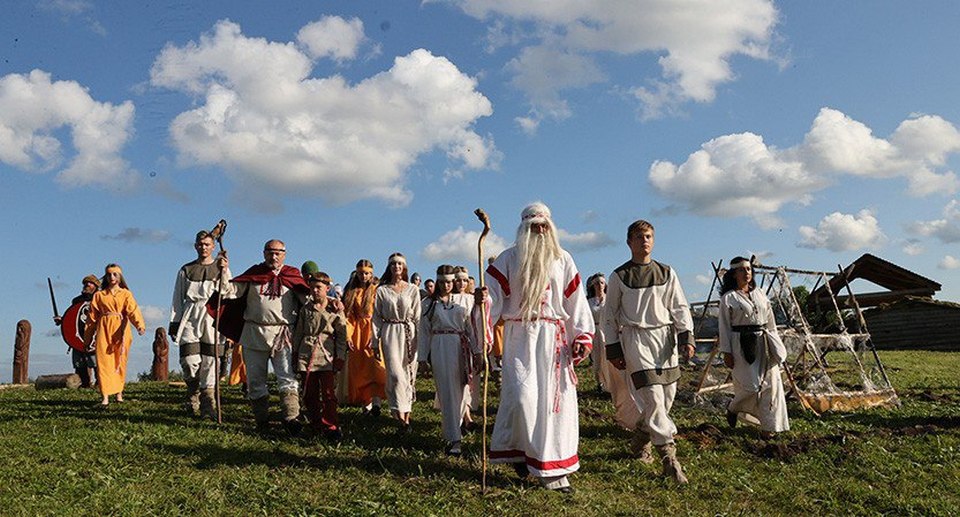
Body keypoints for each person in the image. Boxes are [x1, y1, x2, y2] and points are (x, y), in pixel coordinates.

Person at [475, 202, 594, 493]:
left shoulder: (563, 259)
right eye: (533, 226)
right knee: (521, 397)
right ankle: (520, 452)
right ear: (523, 229)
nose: (539, 231)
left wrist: (581, 336)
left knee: (553, 407)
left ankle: (553, 472)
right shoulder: (508, 258)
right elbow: (491, 296)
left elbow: (576, 301)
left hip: (553, 339)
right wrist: (483, 301)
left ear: (550, 228)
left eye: (543, 226)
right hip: (520, 336)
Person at [602, 220, 695, 484]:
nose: (645, 240)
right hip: (636, 339)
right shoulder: (619, 276)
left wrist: (685, 336)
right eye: (640, 236)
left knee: (665, 399)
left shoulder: (667, 272)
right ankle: (668, 456)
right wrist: (613, 347)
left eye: (649, 236)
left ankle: (640, 440)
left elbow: (679, 306)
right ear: (629, 242)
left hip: (665, 340)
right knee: (653, 397)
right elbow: (609, 317)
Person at [219, 239, 309, 435]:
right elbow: (229, 292)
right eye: (270, 252)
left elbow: (308, 300)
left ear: (284, 254)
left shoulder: (292, 275)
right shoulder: (253, 274)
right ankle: (262, 421)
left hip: (283, 334)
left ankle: (291, 418)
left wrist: (330, 302)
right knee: (255, 379)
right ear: (263, 253)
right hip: (254, 333)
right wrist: (224, 271)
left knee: (287, 376)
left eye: (278, 252)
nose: (274, 256)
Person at [718, 256, 789, 437]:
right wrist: (727, 352)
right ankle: (734, 408)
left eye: (749, 269)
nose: (746, 273)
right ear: (734, 274)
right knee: (750, 386)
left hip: (764, 342)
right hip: (740, 343)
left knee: (771, 385)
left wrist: (776, 345)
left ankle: (769, 428)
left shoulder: (761, 294)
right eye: (742, 269)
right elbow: (724, 327)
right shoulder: (728, 298)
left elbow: (770, 322)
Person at [169, 230, 231, 419]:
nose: (203, 247)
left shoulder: (222, 267)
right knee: (190, 361)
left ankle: (207, 406)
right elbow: (178, 297)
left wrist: (224, 271)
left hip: (212, 315)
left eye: (207, 244)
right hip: (190, 314)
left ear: (213, 246)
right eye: (200, 244)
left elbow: (227, 293)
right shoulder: (186, 269)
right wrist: (175, 322)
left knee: (210, 362)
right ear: (195, 245)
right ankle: (193, 392)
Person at [418, 265, 478, 455]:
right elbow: (424, 332)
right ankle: (454, 439)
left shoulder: (463, 302)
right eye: (442, 282)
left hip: (461, 347)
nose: (446, 285)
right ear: (437, 282)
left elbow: (471, 328)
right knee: (447, 392)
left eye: (449, 282)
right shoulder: (429, 304)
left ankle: (456, 426)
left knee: (462, 391)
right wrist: (421, 358)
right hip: (440, 346)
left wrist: (477, 351)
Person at [294, 271, 348, 440]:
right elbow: (299, 333)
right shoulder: (306, 309)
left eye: (319, 287)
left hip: (326, 355)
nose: (315, 291)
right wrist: (295, 353)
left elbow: (341, 335)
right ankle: (315, 424)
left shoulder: (335, 309)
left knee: (328, 394)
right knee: (309, 393)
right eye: (312, 288)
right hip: (307, 353)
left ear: (327, 288)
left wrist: (340, 356)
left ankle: (330, 425)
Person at [83, 264, 146, 406]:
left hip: (121, 329)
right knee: (104, 362)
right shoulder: (99, 295)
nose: (112, 277)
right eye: (109, 274)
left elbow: (133, 310)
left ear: (120, 276)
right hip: (104, 328)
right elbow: (91, 319)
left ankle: (119, 393)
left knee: (120, 361)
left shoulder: (125, 294)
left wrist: (139, 325)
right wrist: (87, 339)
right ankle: (105, 397)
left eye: (115, 274)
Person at [373, 252, 421, 434]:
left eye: (400, 264)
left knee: (408, 374)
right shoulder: (382, 290)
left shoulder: (413, 290)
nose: (397, 267)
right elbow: (376, 317)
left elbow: (417, 316)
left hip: (409, 332)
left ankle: (405, 418)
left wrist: (420, 341)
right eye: (394, 264)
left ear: (404, 267)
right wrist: (374, 341)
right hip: (390, 332)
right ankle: (398, 413)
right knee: (395, 374)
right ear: (389, 267)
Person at [343, 260, 386, 415]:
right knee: (360, 367)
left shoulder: (377, 290)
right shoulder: (352, 291)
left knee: (375, 366)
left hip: (373, 329)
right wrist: (348, 335)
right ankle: (365, 403)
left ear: (372, 273)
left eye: (367, 273)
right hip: (357, 332)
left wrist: (376, 334)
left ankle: (377, 402)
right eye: (361, 273)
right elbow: (349, 316)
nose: (364, 276)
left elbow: (379, 314)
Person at [53, 274, 100, 388]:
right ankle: (84, 385)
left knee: (96, 363)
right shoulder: (77, 301)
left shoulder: (100, 299)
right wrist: (63, 320)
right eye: (85, 283)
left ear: (95, 286)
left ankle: (101, 384)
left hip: (95, 338)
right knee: (80, 364)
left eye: (89, 283)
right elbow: (74, 318)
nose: (86, 285)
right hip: (78, 337)